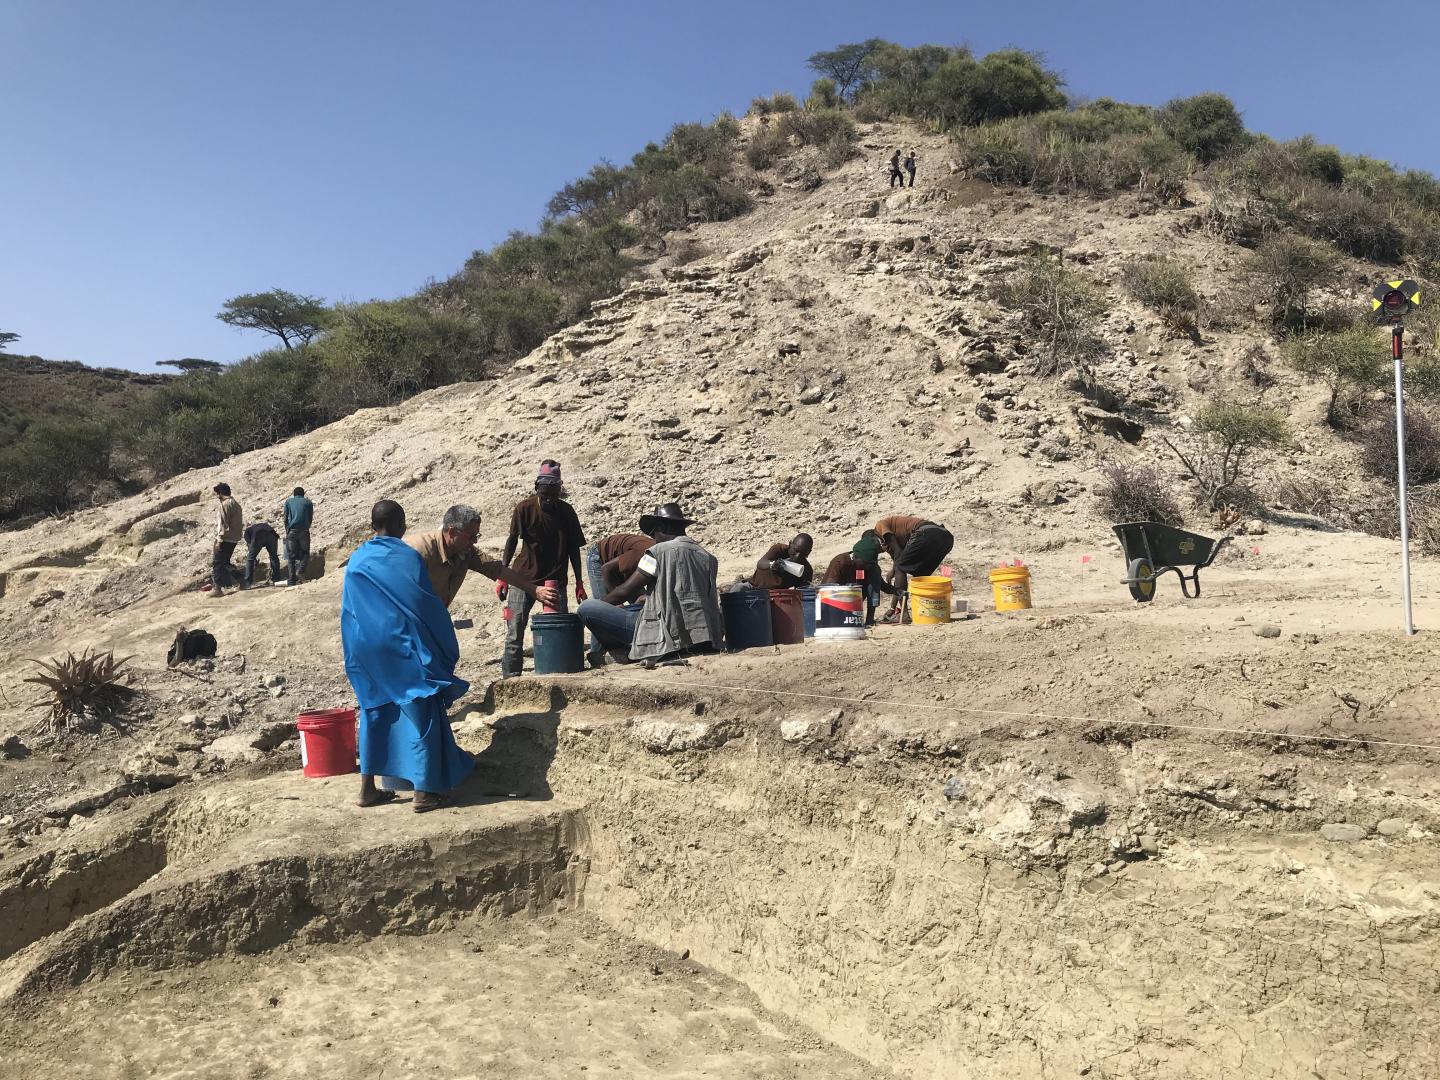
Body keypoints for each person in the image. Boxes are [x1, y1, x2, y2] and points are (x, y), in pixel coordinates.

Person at [342, 499, 473, 813]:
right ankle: (423, 793)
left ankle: (367, 790)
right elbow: (423, 605)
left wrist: (355, 655)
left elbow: (349, 611)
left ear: (373, 525)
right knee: (421, 709)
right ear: (401, 524)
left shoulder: (357, 559)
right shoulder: (406, 557)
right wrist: (443, 643)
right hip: (399, 645)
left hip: (364, 647)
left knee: (373, 710)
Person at [577, 503, 723, 667]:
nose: (654, 539)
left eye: (654, 534)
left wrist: (601, 606)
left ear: (661, 527)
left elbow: (624, 591)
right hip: (703, 636)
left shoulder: (658, 552)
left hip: (664, 634)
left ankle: (612, 652)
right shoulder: (707, 556)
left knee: (587, 608)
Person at [499, 461, 586, 678]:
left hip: (554, 580)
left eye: (553, 494)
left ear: (559, 491)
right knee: (514, 632)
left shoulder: (567, 512)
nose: (548, 499)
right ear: (537, 488)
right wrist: (503, 576)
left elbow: (574, 549)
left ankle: (559, 673)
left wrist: (579, 583)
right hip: (523, 579)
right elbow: (511, 542)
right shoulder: (524, 508)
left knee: (558, 629)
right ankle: (510, 679)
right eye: (544, 493)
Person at [406, 504, 557, 610]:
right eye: (471, 536)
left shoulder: (466, 551)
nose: (475, 542)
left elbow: (496, 569)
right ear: (452, 532)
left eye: (476, 536)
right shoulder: (417, 551)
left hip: (434, 617)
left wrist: (534, 589)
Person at [586, 531, 655, 664]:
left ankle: (632, 645)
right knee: (602, 611)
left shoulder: (664, 555)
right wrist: (617, 601)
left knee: (640, 605)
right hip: (600, 559)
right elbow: (607, 569)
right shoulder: (647, 554)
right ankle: (596, 655)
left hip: (623, 566)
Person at [874, 515, 955, 619]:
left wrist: (893, 570)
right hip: (946, 538)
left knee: (900, 568)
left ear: (874, 537)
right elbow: (899, 579)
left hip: (926, 533)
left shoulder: (880, 526)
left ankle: (904, 614)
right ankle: (929, 612)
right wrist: (892, 608)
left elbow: (898, 565)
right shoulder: (891, 543)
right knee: (920, 575)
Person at [822, 530, 898, 625]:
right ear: (856, 557)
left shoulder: (868, 566)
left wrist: (897, 591)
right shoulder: (840, 562)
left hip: (853, 606)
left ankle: (870, 620)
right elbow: (828, 589)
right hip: (832, 606)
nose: (866, 568)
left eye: (868, 566)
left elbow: (880, 584)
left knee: (875, 572)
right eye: (865, 565)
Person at [208, 482, 243, 598]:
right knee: (225, 563)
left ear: (221, 493)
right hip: (234, 538)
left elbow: (223, 524)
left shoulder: (225, 504)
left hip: (226, 538)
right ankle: (241, 579)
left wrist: (219, 540)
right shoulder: (236, 504)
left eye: (217, 494)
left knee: (217, 563)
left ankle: (217, 588)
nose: (217, 496)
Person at [747, 534, 814, 590]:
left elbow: (801, 593)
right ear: (790, 544)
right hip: (754, 587)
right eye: (795, 550)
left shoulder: (806, 570)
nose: (797, 556)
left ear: (808, 553)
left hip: (778, 596)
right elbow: (760, 563)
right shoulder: (779, 550)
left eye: (803, 554)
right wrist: (773, 564)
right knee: (739, 588)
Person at [283, 486, 313, 586]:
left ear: (294, 494)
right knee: (305, 553)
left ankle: (291, 580)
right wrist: (306, 527)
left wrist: (287, 530)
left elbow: (285, 517)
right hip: (304, 531)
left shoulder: (288, 502)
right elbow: (310, 517)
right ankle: (300, 571)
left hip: (292, 531)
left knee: (291, 556)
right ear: (303, 494)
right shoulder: (308, 502)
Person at [242, 520, 281, 588]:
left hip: (259, 534)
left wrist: (253, 556)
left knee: (250, 559)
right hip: (271, 534)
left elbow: (250, 545)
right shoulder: (255, 527)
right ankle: (276, 579)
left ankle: (248, 583)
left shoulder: (247, 532)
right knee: (274, 557)